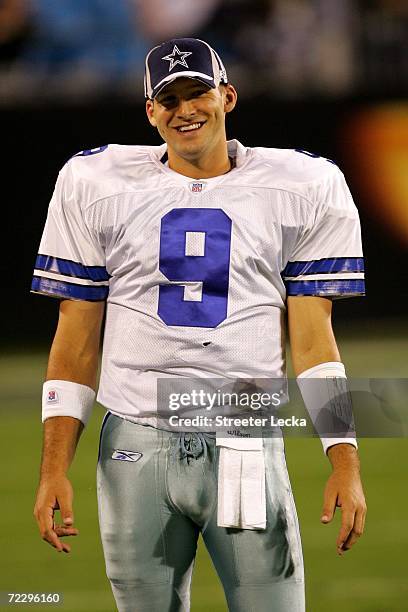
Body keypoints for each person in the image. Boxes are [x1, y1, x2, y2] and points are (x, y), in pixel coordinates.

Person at [32, 37, 367, 612]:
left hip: (242, 438)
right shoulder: (96, 184)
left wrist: (345, 458)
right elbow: (77, 338)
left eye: (198, 92)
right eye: (169, 98)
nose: (185, 109)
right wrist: (53, 469)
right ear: (150, 112)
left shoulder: (301, 185)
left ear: (227, 96)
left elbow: (314, 342)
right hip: (135, 442)